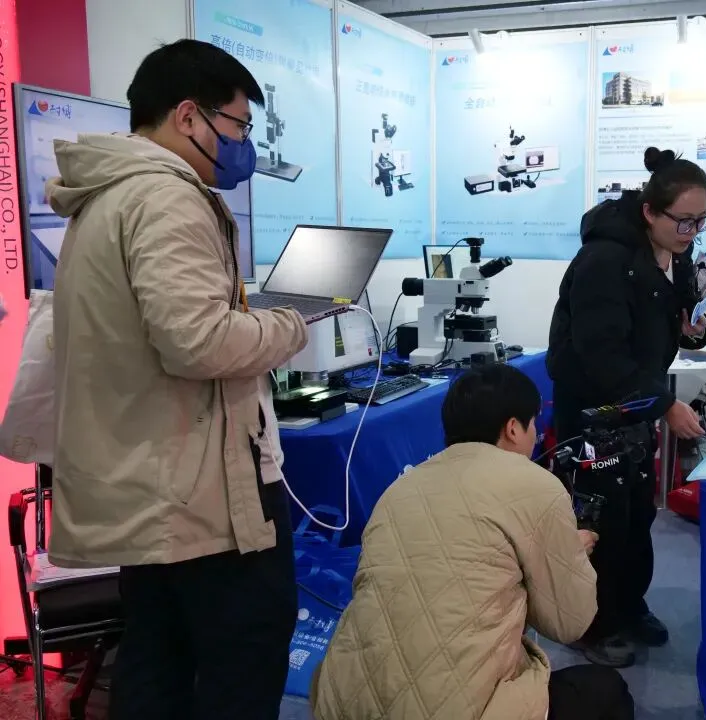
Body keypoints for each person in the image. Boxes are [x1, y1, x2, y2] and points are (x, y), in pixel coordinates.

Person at [47, 40, 308, 719]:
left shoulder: (107, 197)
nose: (245, 144)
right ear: (189, 116)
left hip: (153, 483)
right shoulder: (168, 198)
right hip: (202, 495)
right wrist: (289, 326)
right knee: (241, 663)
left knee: (157, 663)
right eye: (239, 124)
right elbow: (200, 341)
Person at [310, 364, 635, 720]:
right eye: (533, 423)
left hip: (343, 702)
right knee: (607, 692)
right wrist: (571, 556)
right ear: (513, 428)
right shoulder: (536, 485)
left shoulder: (398, 489)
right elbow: (569, 624)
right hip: (453, 710)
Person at [546, 146, 706, 668]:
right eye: (683, 221)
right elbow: (601, 354)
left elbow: (680, 320)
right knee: (597, 518)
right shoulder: (604, 261)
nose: (691, 232)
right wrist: (666, 405)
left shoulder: (676, 254)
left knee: (637, 512)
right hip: (593, 405)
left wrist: (695, 329)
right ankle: (588, 624)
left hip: (637, 402)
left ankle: (627, 606)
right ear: (649, 211)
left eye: (701, 220)